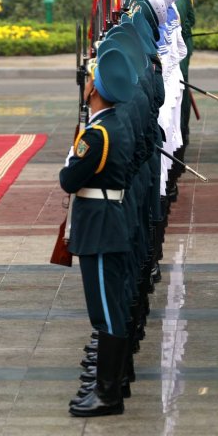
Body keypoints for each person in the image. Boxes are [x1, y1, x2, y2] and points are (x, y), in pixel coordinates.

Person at [59, 45, 137, 417]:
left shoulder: (98, 135)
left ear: (94, 89)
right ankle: (114, 384)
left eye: (90, 80)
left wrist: (72, 157)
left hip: (101, 227)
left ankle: (108, 394)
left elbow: (69, 180)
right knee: (112, 306)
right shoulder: (113, 124)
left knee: (105, 311)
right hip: (108, 220)